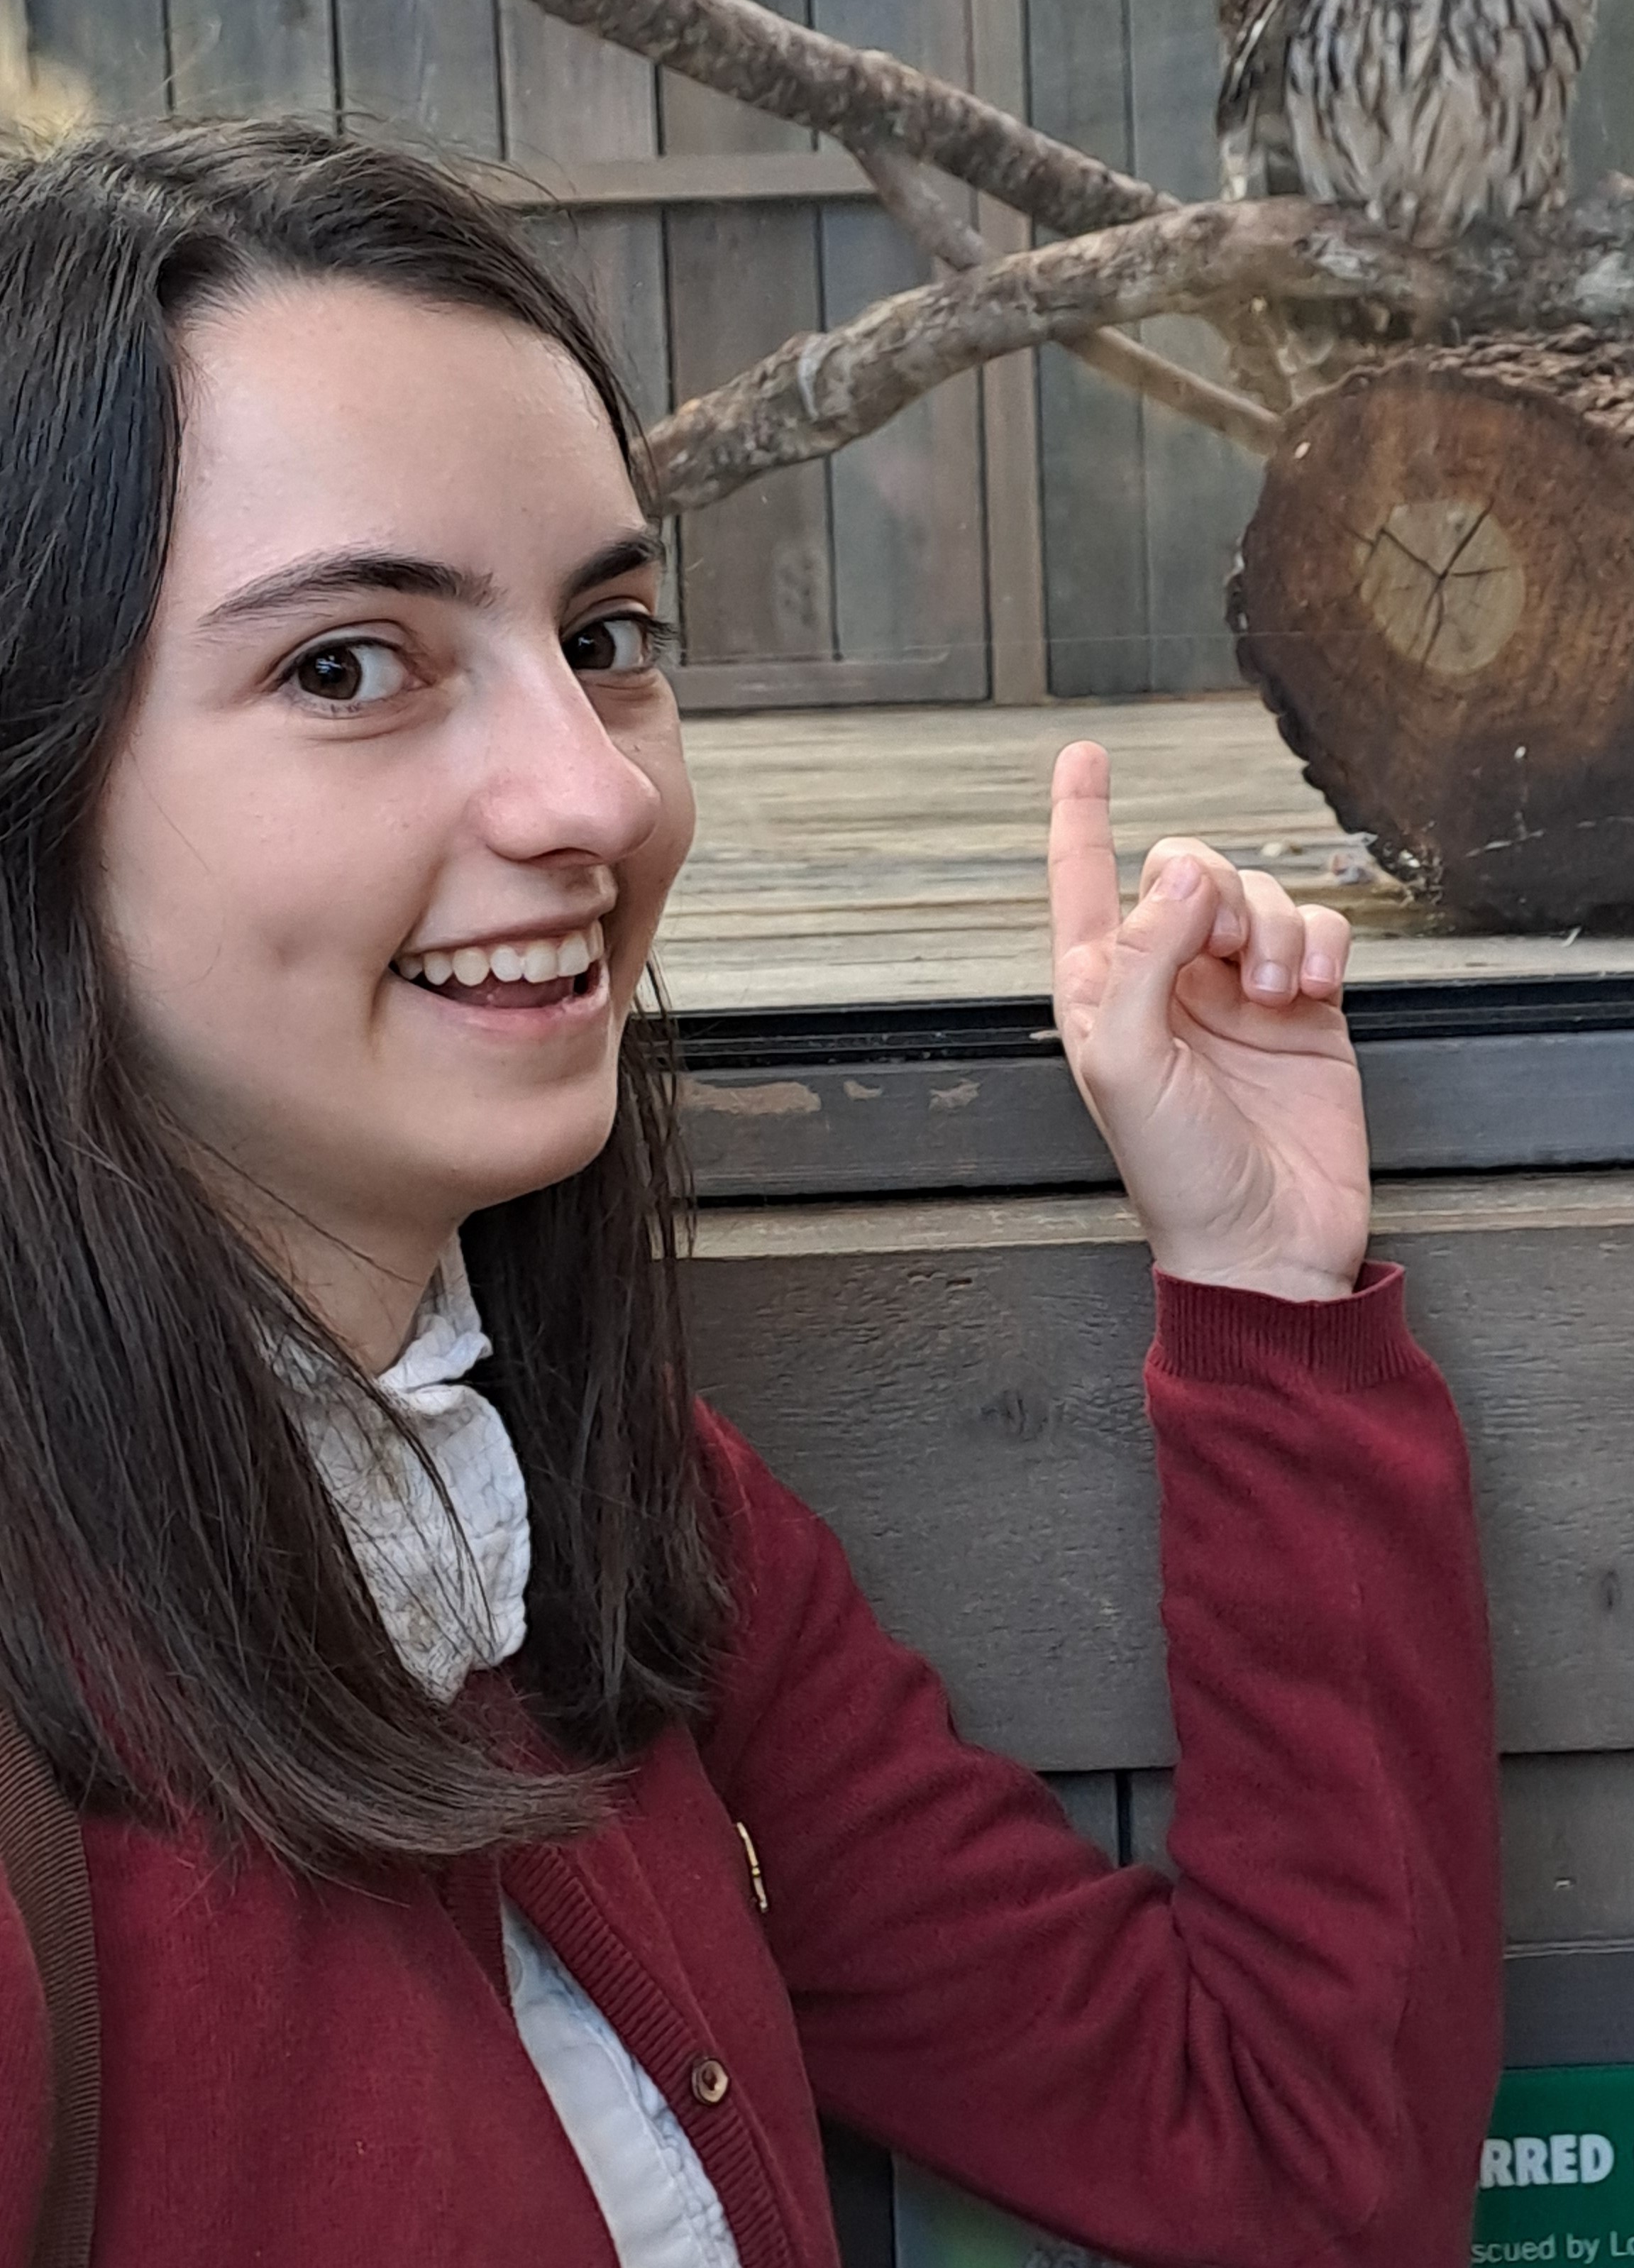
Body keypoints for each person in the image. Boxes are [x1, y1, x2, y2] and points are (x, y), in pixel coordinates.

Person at [0, 118, 1498, 2268]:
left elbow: (1294, 2153)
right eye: (350, 664)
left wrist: (1265, 1283)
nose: (596, 787)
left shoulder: (592, 1516)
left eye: (605, 630)